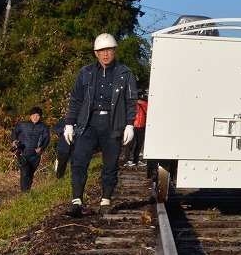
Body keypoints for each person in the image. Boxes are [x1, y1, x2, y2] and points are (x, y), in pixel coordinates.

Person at [63, 33, 138, 217]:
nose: (106, 54)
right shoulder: (85, 73)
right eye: (102, 51)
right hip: (88, 122)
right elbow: (76, 99)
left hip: (113, 123)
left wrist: (129, 124)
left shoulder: (125, 73)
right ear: (96, 53)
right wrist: (70, 123)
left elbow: (131, 100)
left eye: (109, 50)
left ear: (115, 51)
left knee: (110, 164)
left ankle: (105, 201)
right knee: (79, 161)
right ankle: (77, 201)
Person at [10, 106, 50, 191]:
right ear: (30, 116)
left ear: (40, 117)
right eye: (34, 115)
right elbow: (14, 132)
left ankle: (27, 191)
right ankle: (24, 193)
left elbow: (47, 138)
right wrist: (14, 141)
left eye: (38, 115)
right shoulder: (22, 124)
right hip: (22, 152)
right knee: (24, 173)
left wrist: (42, 147)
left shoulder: (44, 127)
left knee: (30, 174)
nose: (35, 117)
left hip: (35, 155)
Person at [123, 90, 148, 166]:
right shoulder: (132, 104)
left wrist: (143, 103)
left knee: (139, 144)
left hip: (141, 125)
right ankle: (126, 160)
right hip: (134, 125)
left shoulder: (144, 104)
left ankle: (136, 160)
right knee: (130, 143)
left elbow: (148, 111)